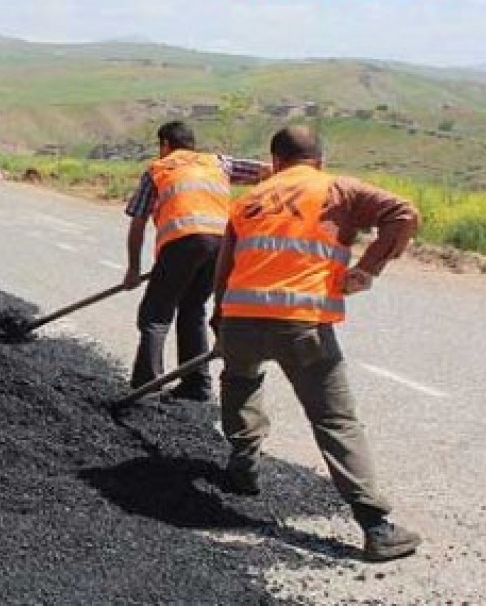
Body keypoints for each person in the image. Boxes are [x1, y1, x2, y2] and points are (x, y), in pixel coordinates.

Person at [212, 125, 422, 562]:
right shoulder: (336, 189)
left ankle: (242, 467)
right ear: (319, 160)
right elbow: (403, 213)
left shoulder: (249, 200)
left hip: (241, 319)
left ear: (274, 161)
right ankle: (376, 526)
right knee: (334, 419)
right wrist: (367, 269)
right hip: (301, 325)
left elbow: (224, 269)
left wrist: (220, 321)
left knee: (241, 383)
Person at [122, 121, 270, 400]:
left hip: (184, 239)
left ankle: (146, 387)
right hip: (221, 244)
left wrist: (133, 268)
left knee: (155, 314)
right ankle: (197, 385)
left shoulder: (158, 169)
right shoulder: (219, 163)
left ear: (165, 144)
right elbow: (267, 171)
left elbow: (138, 222)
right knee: (192, 309)